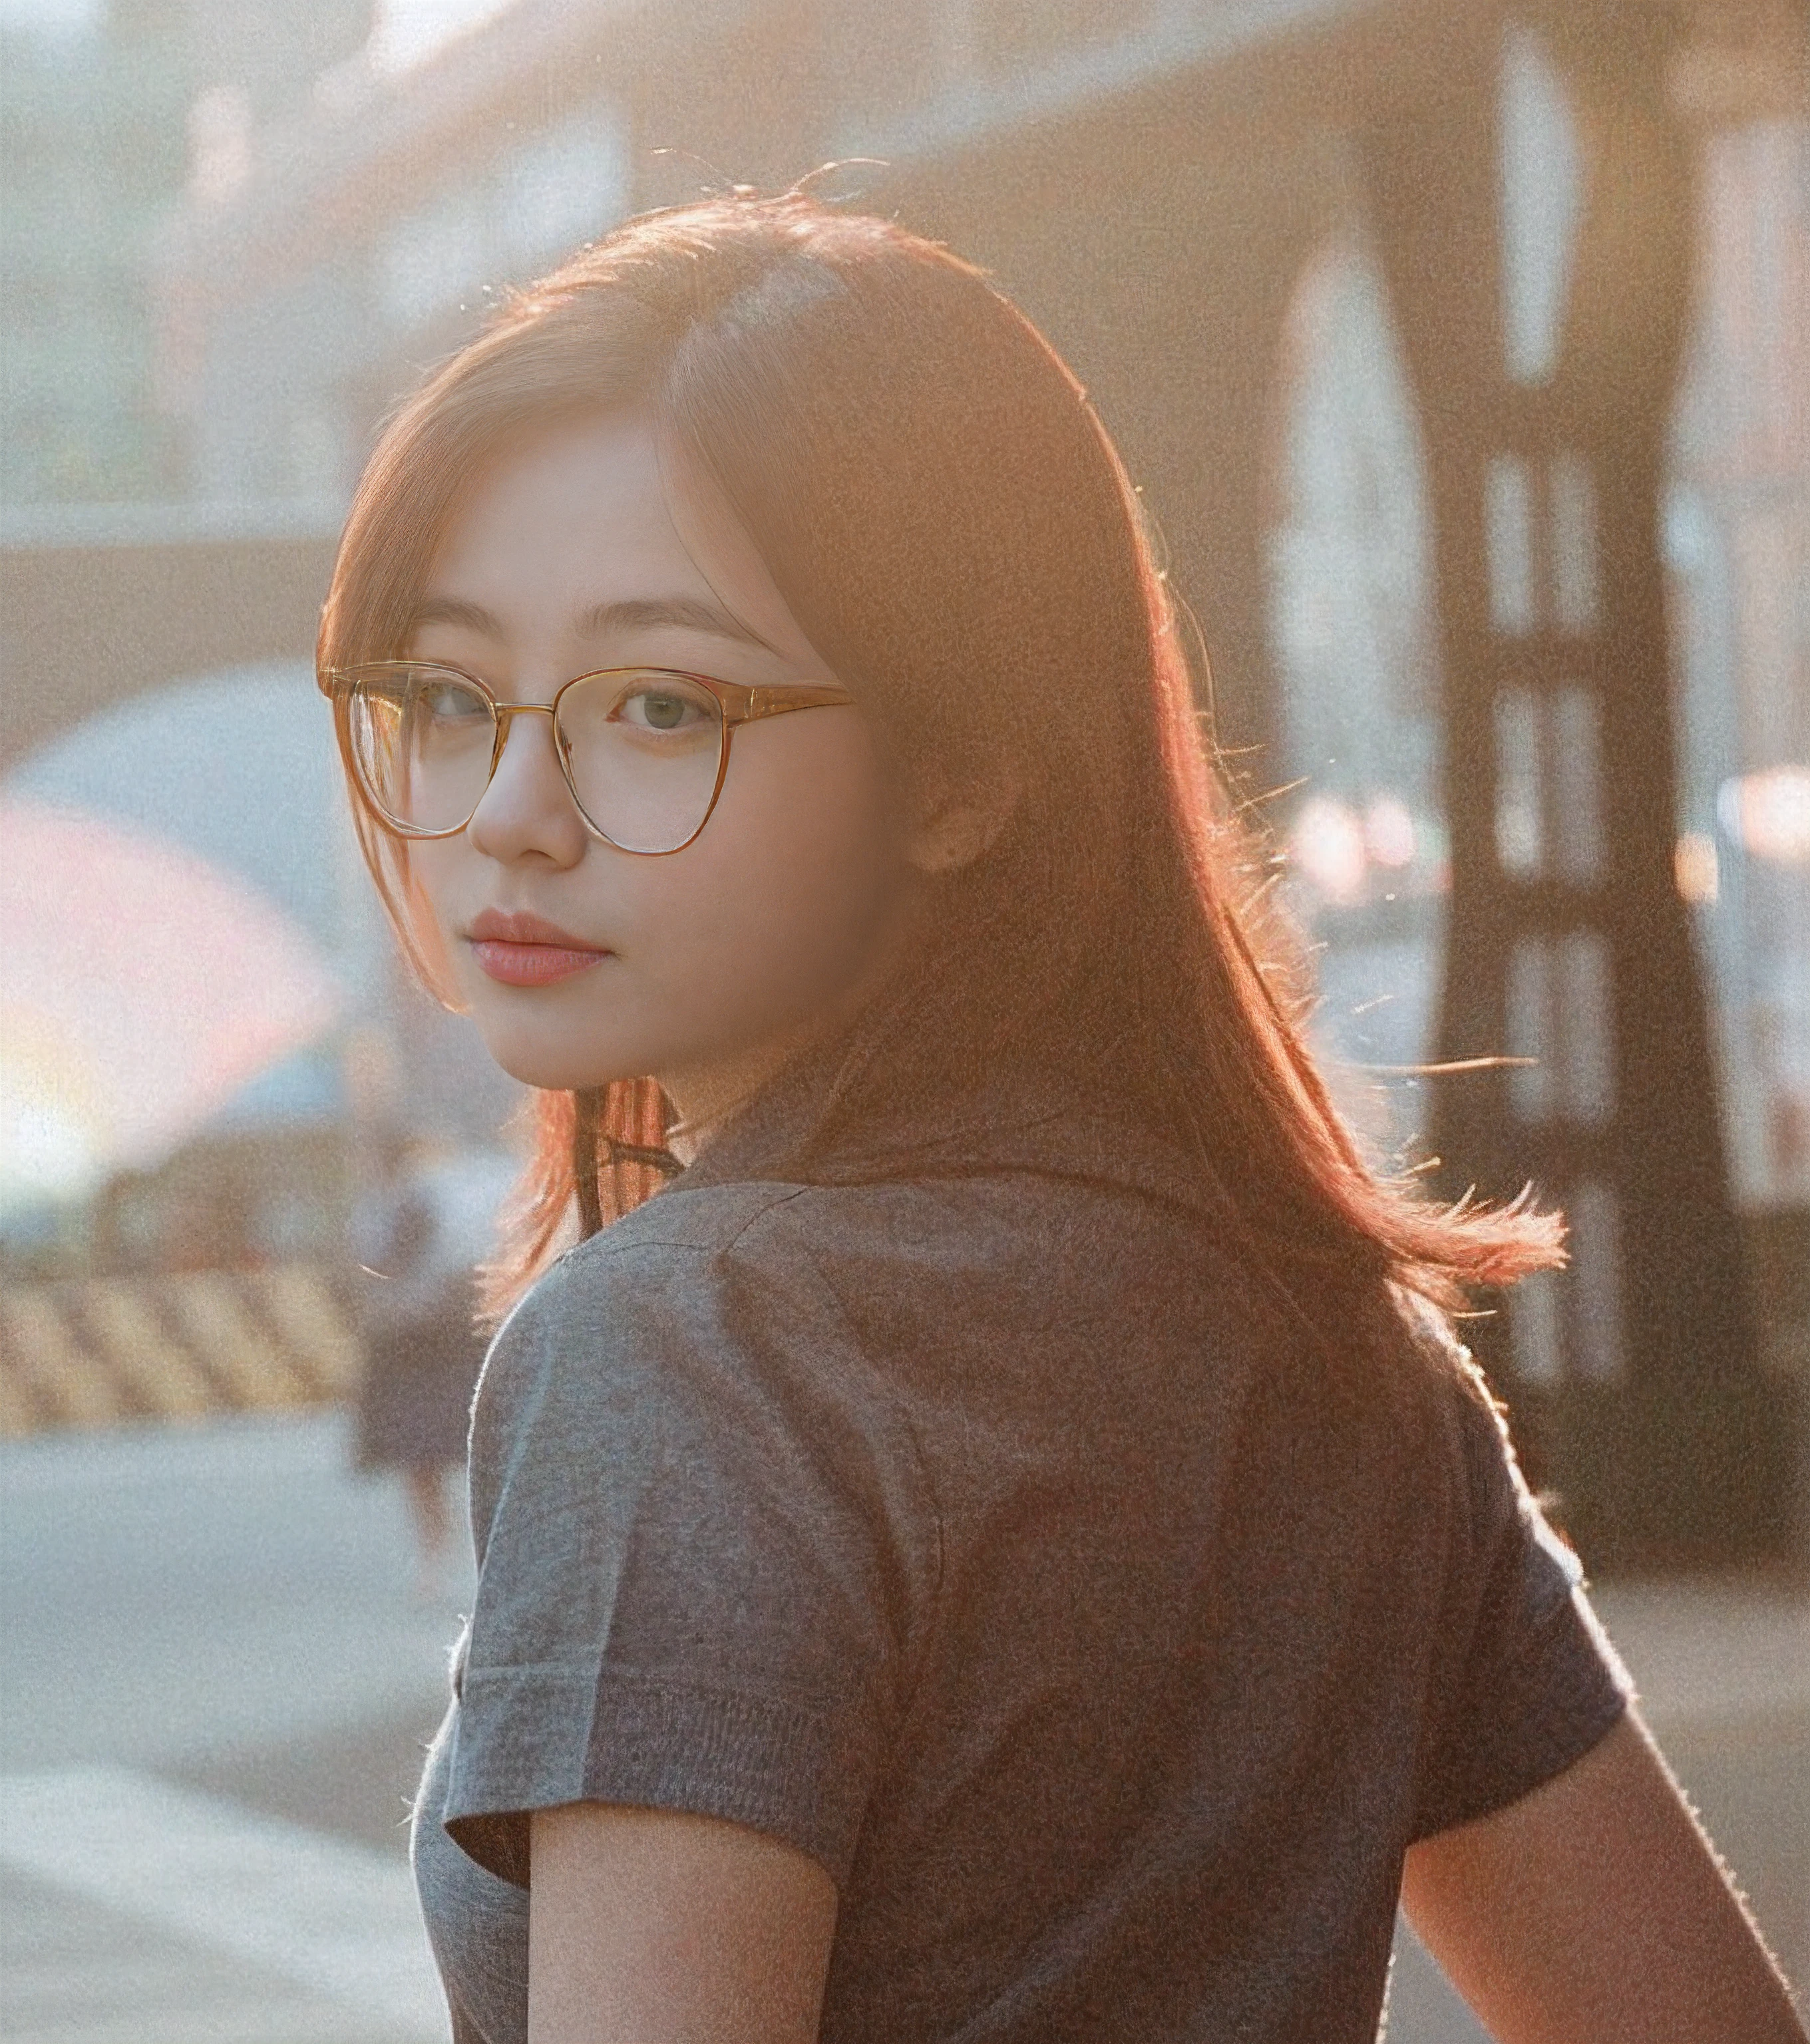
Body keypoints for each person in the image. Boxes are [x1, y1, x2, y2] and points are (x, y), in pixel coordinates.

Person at [315, 192, 1803, 2044]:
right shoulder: (1343, 1352)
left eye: (659, 705)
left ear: (960, 775)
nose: (511, 809)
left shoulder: (688, 1351)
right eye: (452, 694)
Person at [349, 1130, 496, 1600]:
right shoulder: (378, 1206)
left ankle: (466, 1554)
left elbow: (388, 1265)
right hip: (399, 1339)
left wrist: (364, 1276)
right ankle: (435, 1553)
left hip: (431, 1338)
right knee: (417, 1462)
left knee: (457, 1454)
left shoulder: (417, 1201)